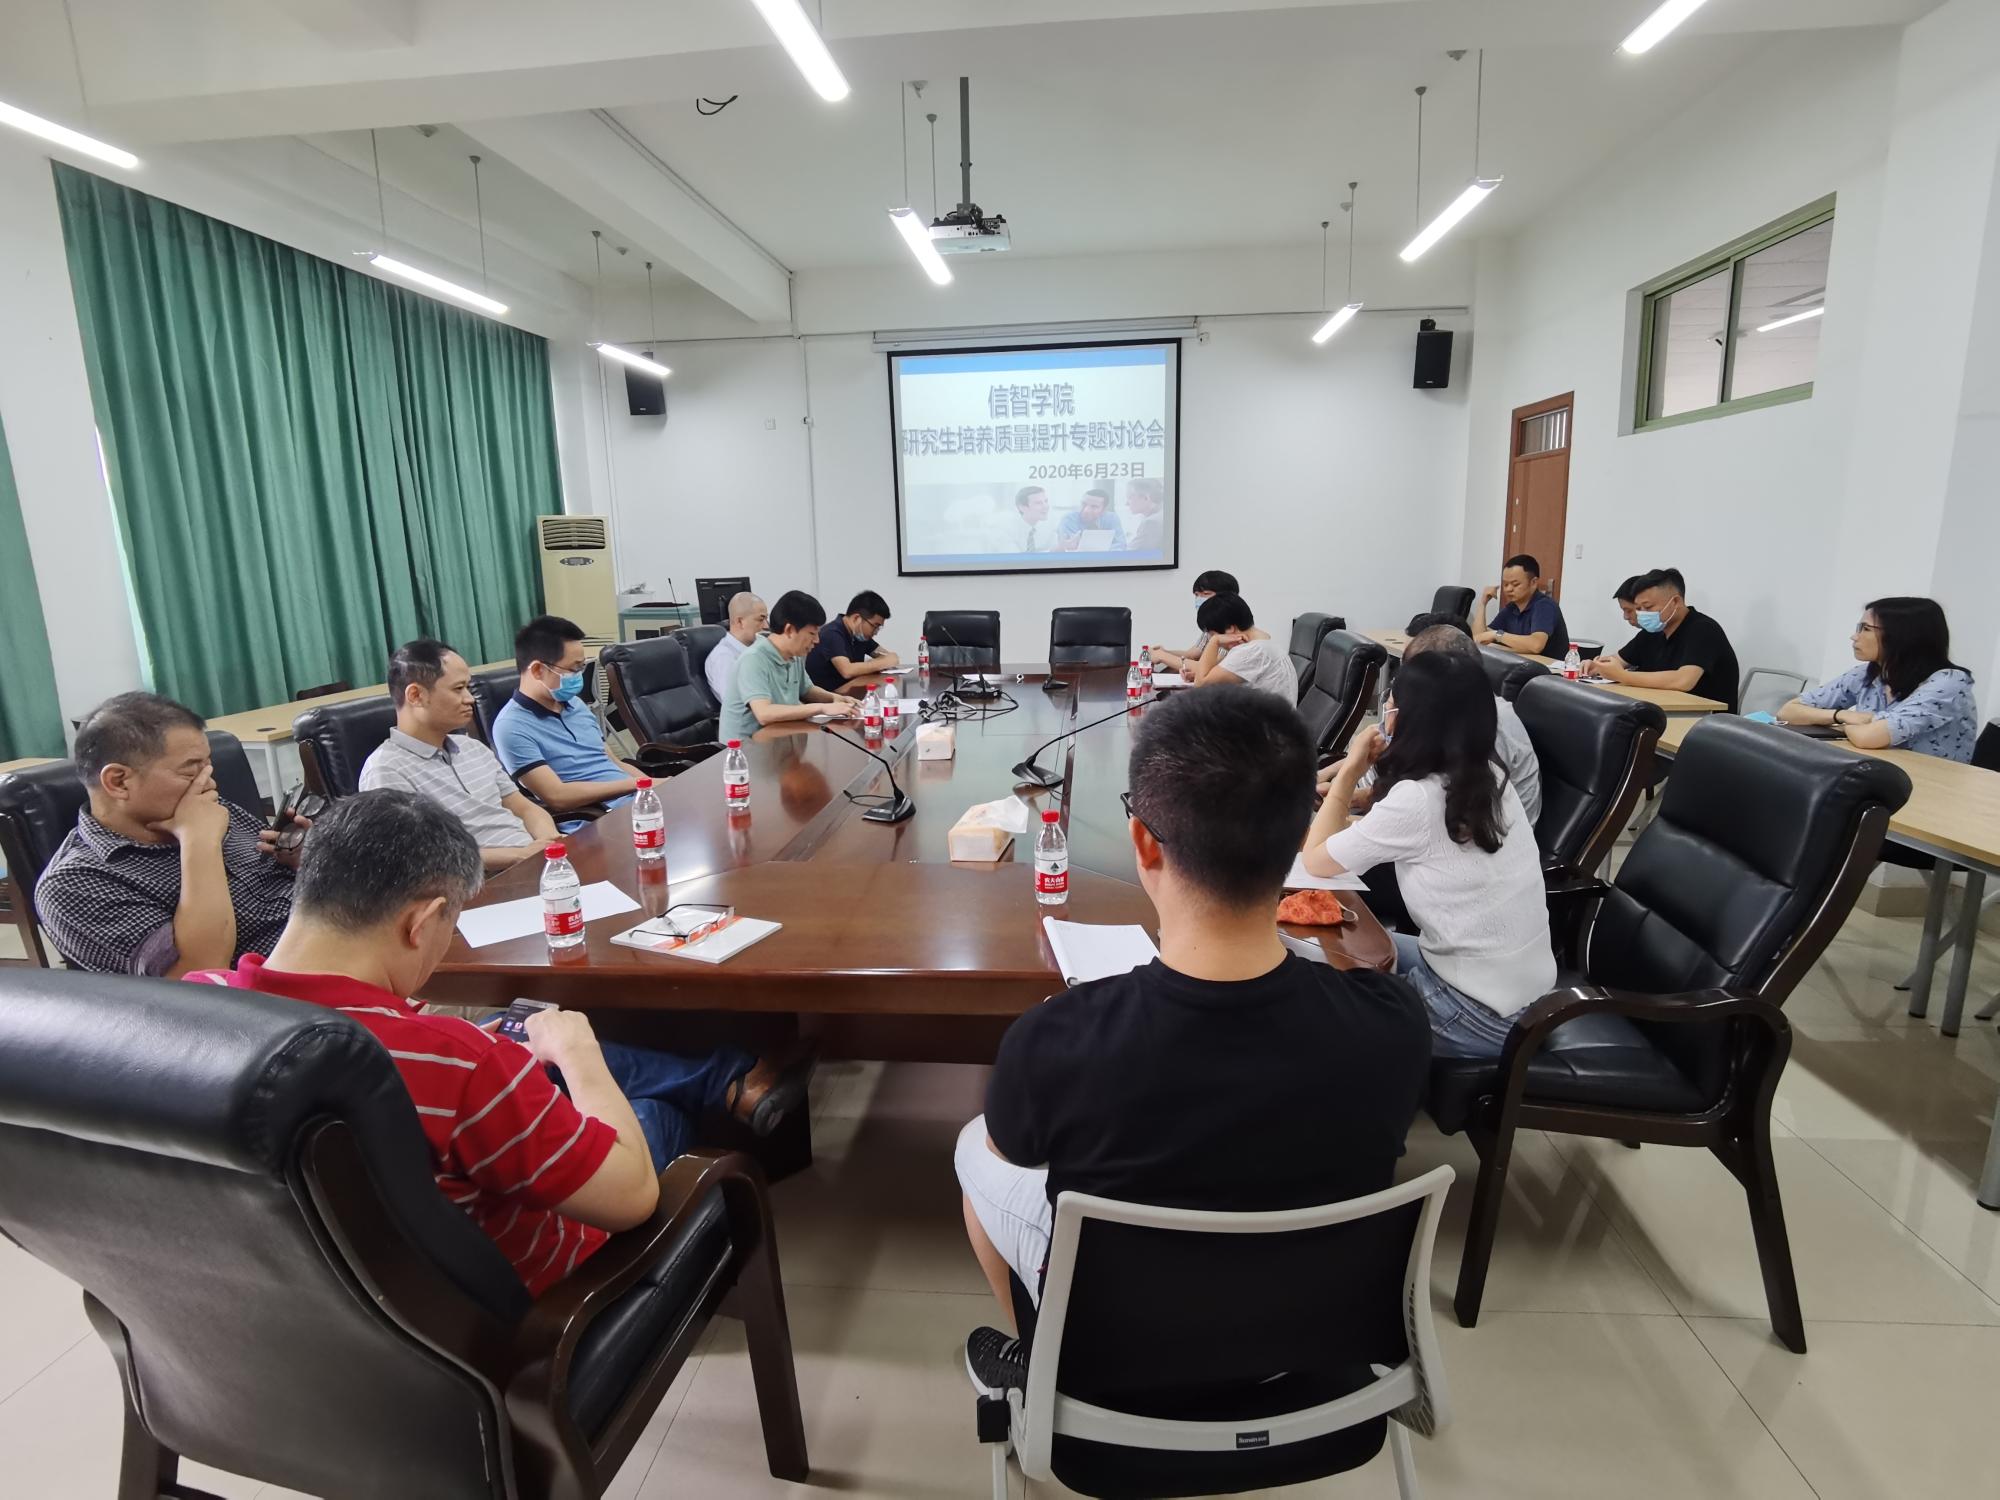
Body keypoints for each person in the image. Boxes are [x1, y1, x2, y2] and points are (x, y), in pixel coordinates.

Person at [956, 687, 1431, 1389]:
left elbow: (1011, 1150)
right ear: (1297, 837)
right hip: (1315, 1380)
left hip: (1106, 1404)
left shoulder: (1056, 1038)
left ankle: (1041, 1366)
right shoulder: (1393, 1020)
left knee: (973, 1145)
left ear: (1144, 841)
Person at [184, 791, 813, 1296]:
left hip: (311, 1304)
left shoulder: (194, 1006)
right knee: (650, 1112)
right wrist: (579, 1055)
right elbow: (630, 1198)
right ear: (421, 922)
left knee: (546, 1064)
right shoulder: (457, 1060)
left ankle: (726, 1079)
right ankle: (726, 1092)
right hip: (530, 1313)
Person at [1302, 651, 1555, 1060]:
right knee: (1342, 946)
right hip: (1524, 997)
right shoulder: (1489, 775)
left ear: (1403, 717)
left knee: (1317, 1006)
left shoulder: (1418, 799)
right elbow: (1406, 821)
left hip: (1474, 1013)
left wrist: (1350, 770)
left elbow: (1316, 861)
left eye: (1389, 702)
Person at [35, 692, 304, 977]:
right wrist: (199, 843)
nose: (209, 783)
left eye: (208, 766)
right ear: (118, 782)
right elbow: (198, 974)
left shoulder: (206, 806)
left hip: (327, 936)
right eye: (190, 772)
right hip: (277, 987)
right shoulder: (74, 884)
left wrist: (308, 862)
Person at [360, 639, 558, 871]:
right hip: (478, 880)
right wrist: (519, 855)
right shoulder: (386, 769)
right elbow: (417, 856)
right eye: (458, 689)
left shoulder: (473, 748)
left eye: (467, 687)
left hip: (533, 862)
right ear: (415, 695)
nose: (470, 698)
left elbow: (524, 808)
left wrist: (549, 841)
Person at [1321, 615, 1541, 823]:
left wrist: (1352, 797)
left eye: (1411, 670)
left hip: (1455, 831)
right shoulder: (1438, 709)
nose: (1402, 678)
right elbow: (1379, 746)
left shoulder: (1485, 726)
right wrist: (1326, 775)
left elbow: (1441, 812)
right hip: (1382, 805)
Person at [491, 615, 642, 834]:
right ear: (537, 670)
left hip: (633, 804)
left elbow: (613, 762)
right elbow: (557, 796)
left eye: (582, 667)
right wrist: (636, 785)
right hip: (596, 822)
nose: (579, 676)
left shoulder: (575, 704)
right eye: (574, 669)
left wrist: (653, 785)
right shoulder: (511, 727)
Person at [1778, 597, 1979, 759]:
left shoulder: (1949, 682)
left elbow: (1868, 738)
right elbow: (1788, 712)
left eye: (1865, 629)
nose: (1854, 636)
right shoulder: (1868, 672)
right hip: (1880, 771)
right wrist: (1841, 715)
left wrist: (1845, 726)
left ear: (1901, 635)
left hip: (1937, 785)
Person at [720, 589, 861, 742]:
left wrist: (837, 699)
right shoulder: (753, 659)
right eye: (812, 633)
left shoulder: (794, 655)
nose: (817, 640)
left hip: (780, 736)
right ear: (789, 630)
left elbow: (807, 690)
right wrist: (822, 707)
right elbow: (764, 713)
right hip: (745, 749)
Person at [1589, 569, 1740, 711]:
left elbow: (1684, 681)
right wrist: (1596, 666)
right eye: (1639, 609)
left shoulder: (1703, 629)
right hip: (1661, 710)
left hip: (1705, 719)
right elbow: (1618, 660)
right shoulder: (1653, 631)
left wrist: (1622, 676)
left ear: (1675, 602)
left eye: (1648, 607)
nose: (1643, 614)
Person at [1181, 592, 1298, 704]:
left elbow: (1201, 686)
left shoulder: (1251, 651)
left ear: (1230, 628)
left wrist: (1214, 642)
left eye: (1211, 634)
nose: (1211, 638)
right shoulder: (1264, 645)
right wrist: (1202, 675)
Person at [1477, 553, 1570, 659]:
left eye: (1515, 584)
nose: (1508, 589)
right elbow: (1478, 639)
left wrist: (1497, 635)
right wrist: (1483, 603)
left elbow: (1536, 645)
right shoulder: (1511, 608)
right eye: (1505, 584)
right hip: (1524, 663)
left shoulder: (1544, 605)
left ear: (1533, 583)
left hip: (1549, 667)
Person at [806, 589, 901, 691]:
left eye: (879, 628)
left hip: (848, 692)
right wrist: (882, 663)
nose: (876, 632)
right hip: (827, 696)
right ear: (856, 618)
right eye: (874, 626)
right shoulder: (832, 634)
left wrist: (886, 660)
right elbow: (847, 671)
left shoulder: (859, 635)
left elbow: (887, 656)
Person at [1148, 568, 1239, 673]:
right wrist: (1164, 652)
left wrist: (1162, 656)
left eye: (1205, 594)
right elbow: (1192, 655)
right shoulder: (1211, 624)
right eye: (1196, 595)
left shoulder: (1231, 629)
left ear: (1227, 597)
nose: (1199, 599)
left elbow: (1206, 668)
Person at [704, 591, 767, 704]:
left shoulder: (757, 649)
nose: (766, 626)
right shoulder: (724, 657)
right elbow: (735, 704)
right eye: (761, 619)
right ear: (740, 621)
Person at [1055, 488, 1127, 551]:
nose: (1086, 510)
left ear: (1103, 510)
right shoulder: (1069, 519)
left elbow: (1121, 544)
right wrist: (1104, 549)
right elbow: (1073, 547)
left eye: (1094, 507)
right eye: (1084, 504)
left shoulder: (1111, 518)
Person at [1006, 486, 1052, 553]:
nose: (1046, 506)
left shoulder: (1048, 529)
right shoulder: (1008, 531)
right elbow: (1013, 558)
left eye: (1046, 501)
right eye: (1038, 503)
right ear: (1022, 507)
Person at [1124, 478, 1165, 551]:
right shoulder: (1162, 515)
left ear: (1146, 497)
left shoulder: (1151, 522)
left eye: (1129, 497)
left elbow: (1130, 554)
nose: (1126, 503)